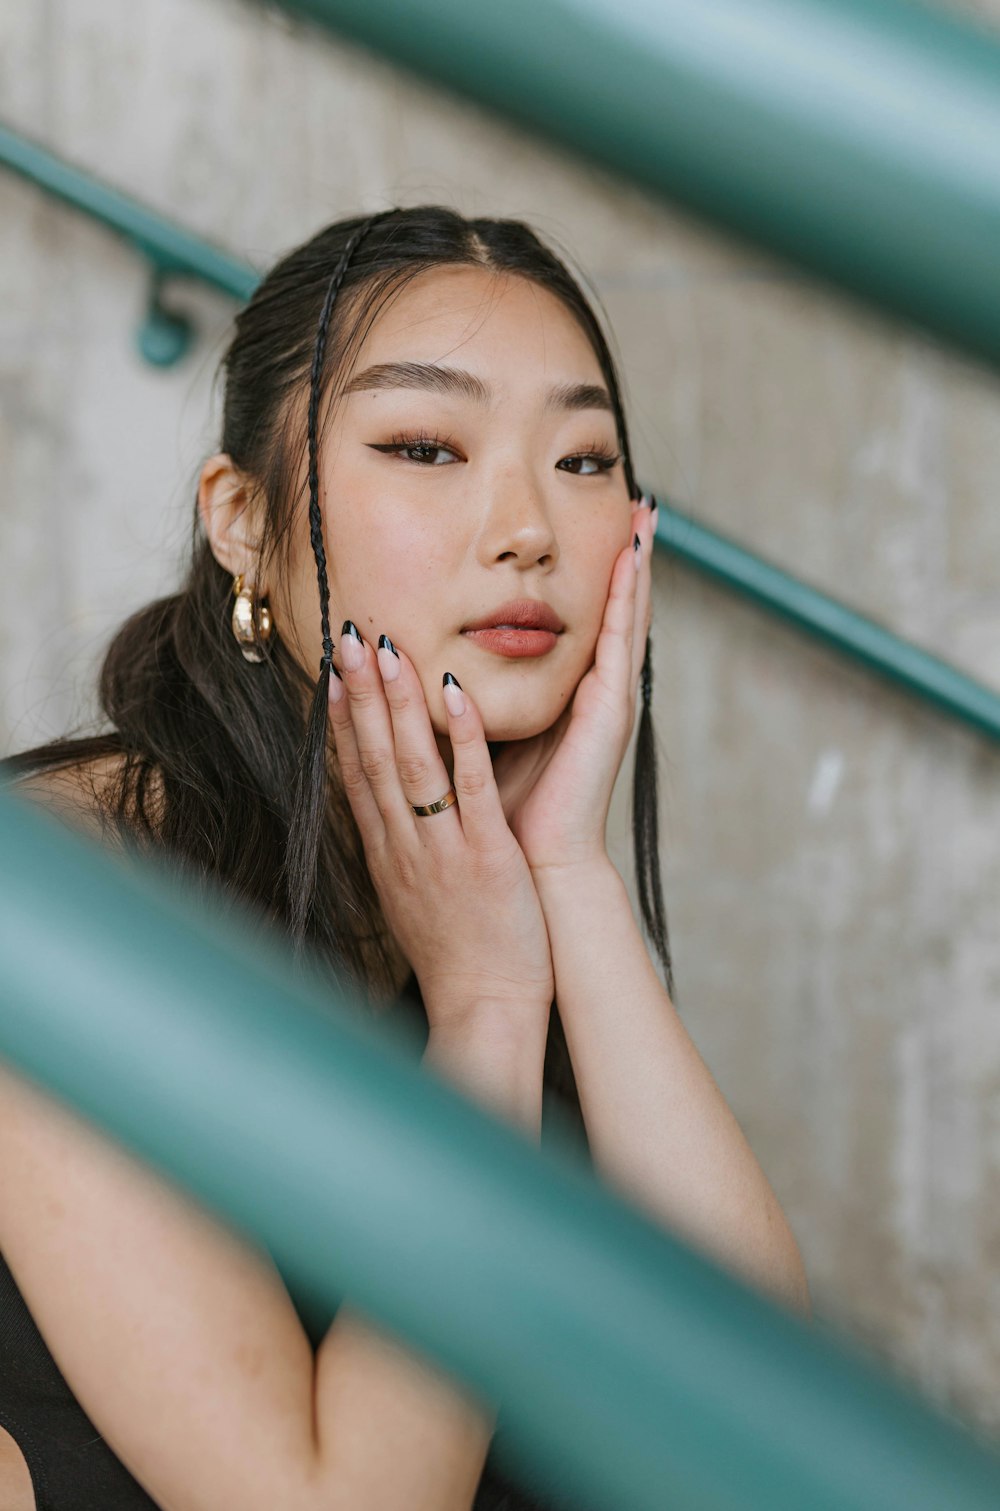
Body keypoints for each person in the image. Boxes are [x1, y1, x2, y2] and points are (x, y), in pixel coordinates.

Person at [0, 205, 810, 1511]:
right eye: (425, 445)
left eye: (586, 459)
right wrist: (485, 1009)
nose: (528, 528)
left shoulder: (473, 879)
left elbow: (770, 1437)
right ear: (244, 522)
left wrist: (570, 879)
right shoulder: (53, 905)